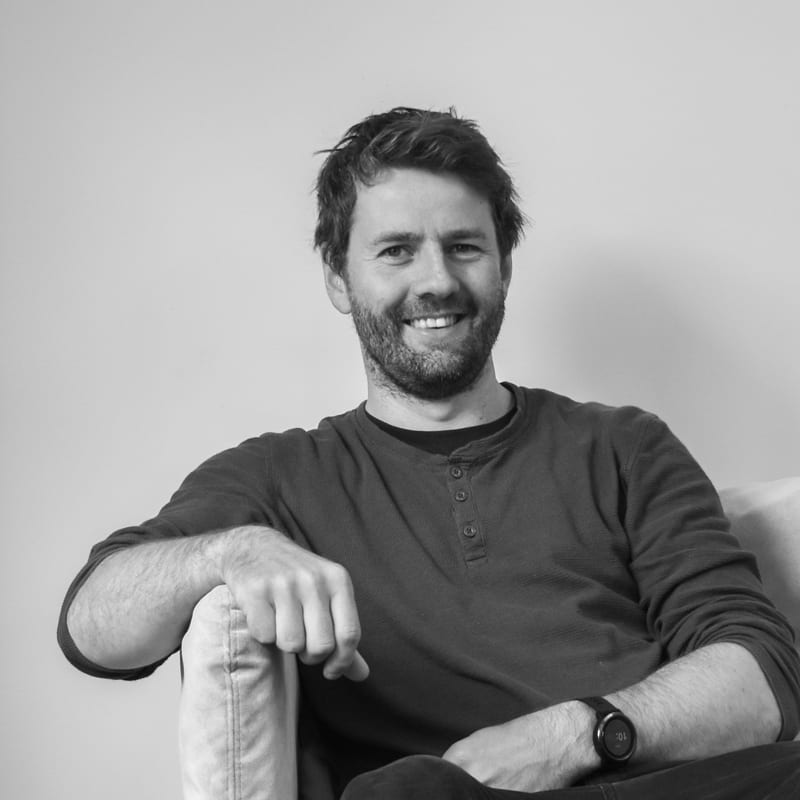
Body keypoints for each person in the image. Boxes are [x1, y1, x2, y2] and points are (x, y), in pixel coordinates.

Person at [58, 107, 800, 798]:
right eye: (396, 251)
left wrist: (573, 734)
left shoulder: (624, 447)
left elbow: (764, 681)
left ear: (503, 265)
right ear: (338, 279)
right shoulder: (281, 476)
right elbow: (93, 630)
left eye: (464, 246)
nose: (436, 280)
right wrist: (226, 554)